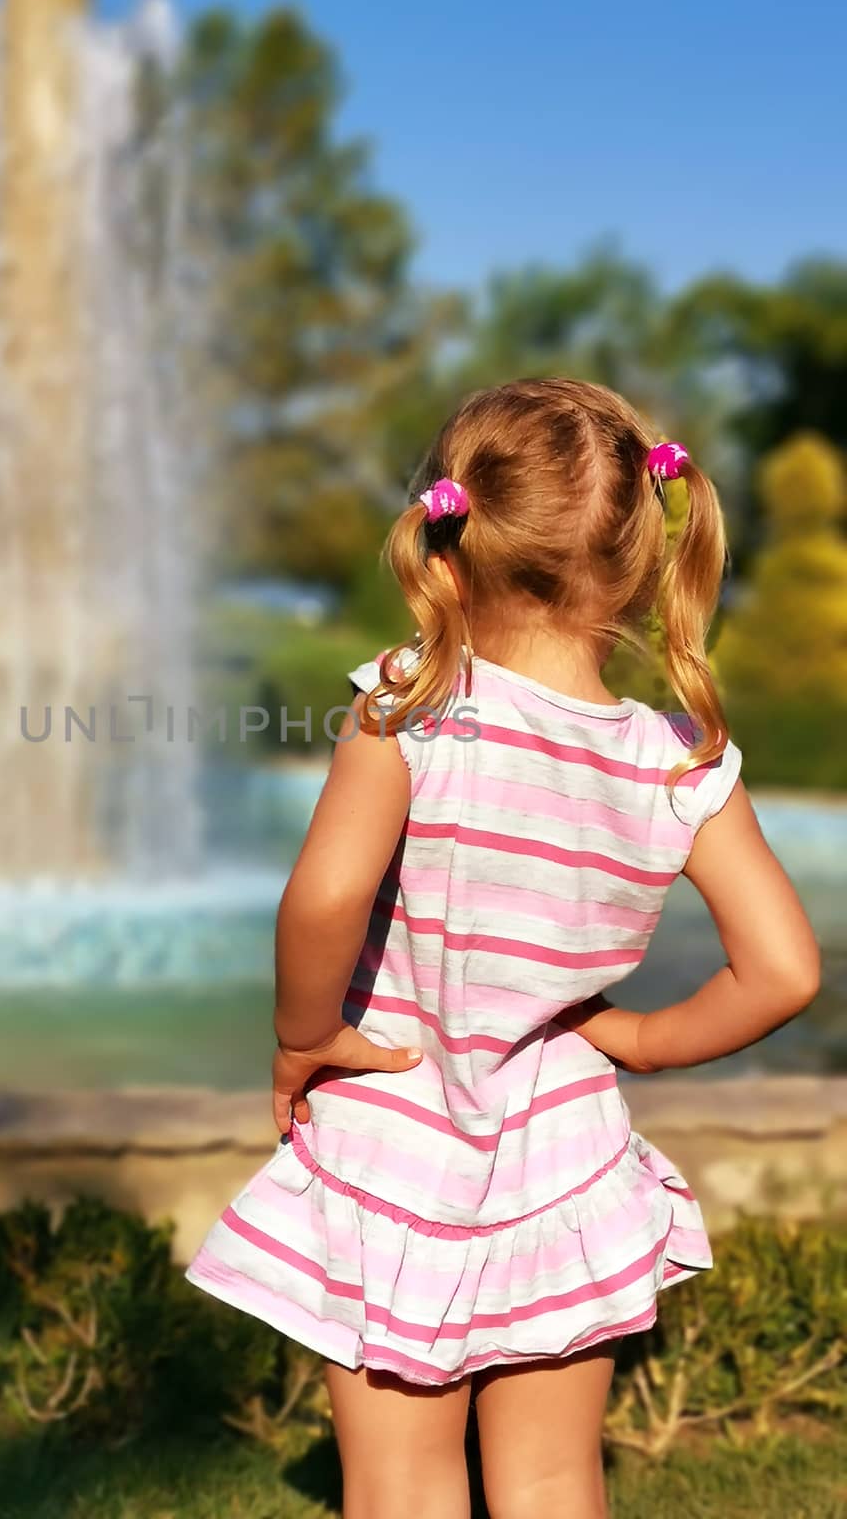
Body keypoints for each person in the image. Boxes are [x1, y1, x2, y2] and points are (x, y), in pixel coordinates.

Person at [185, 379, 820, 1519]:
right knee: (546, 1479)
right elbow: (785, 970)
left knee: (401, 1480)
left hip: (394, 1142)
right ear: (637, 558)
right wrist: (641, 1040)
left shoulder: (409, 704)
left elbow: (324, 897)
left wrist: (304, 1038)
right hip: (567, 1156)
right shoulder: (679, 763)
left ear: (450, 534)